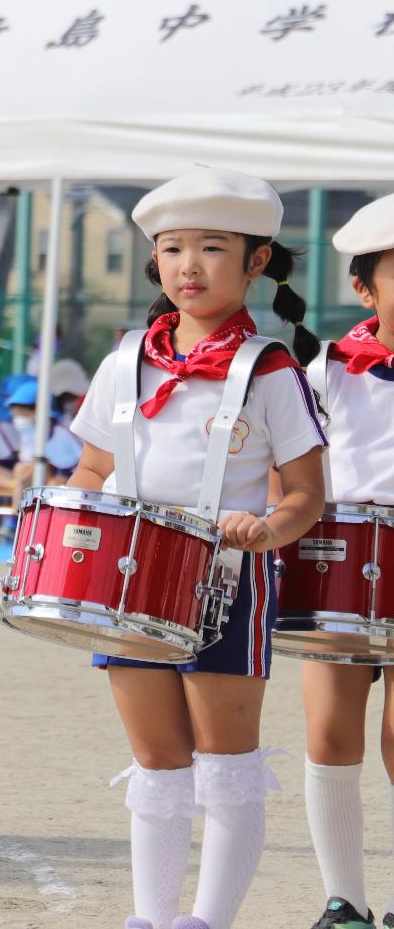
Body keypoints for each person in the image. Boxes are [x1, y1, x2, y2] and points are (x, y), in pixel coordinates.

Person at [65, 168, 326, 929]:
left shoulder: (271, 368)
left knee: (227, 765)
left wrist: (269, 528)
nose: (188, 265)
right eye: (172, 247)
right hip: (129, 580)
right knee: (157, 762)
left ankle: (207, 921)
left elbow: (306, 492)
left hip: (228, 580)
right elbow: (90, 467)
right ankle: (150, 916)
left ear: (256, 261)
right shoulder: (125, 360)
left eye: (213, 248)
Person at [298, 194, 394, 929]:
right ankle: (345, 900)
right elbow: (297, 465)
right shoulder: (327, 368)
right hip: (339, 562)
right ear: (364, 289)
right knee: (330, 731)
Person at [0, 376, 85, 517]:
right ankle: (19, 516)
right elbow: (30, 464)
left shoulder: (66, 432)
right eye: (15, 413)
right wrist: (22, 480)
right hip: (40, 474)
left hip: (69, 476)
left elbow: (83, 464)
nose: (17, 418)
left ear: (39, 411)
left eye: (22, 413)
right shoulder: (28, 432)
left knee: (51, 481)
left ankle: (20, 519)